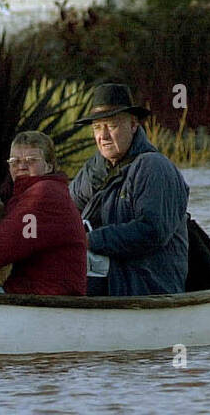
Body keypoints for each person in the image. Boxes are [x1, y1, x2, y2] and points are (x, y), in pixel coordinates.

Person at [70, 82, 188, 296]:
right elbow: (66, 211)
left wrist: (90, 240)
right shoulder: (92, 170)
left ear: (134, 125)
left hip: (148, 288)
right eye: (97, 127)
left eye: (112, 126)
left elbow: (152, 232)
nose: (103, 136)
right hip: (106, 278)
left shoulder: (154, 168)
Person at [0, 131, 87, 296]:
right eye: (15, 161)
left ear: (49, 166)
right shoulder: (30, 194)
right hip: (35, 289)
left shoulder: (45, 194)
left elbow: (8, 242)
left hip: (47, 295)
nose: (21, 166)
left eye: (31, 160)